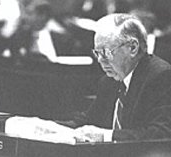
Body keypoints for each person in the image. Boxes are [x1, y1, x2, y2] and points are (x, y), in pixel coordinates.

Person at [67, 13, 171, 142]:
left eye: (106, 52)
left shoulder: (161, 77)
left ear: (133, 48)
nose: (100, 60)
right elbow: (89, 121)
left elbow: (161, 134)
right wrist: (48, 127)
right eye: (97, 53)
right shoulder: (110, 80)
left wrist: (106, 136)